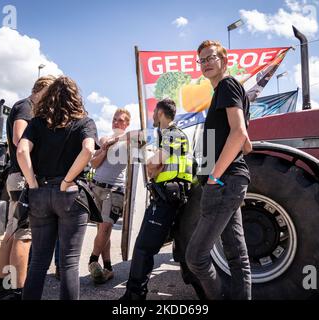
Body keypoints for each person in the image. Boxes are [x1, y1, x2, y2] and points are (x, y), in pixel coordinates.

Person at [17, 76, 98, 300]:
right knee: (70, 263)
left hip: (40, 193)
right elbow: (89, 151)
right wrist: (67, 181)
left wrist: (33, 183)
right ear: (75, 97)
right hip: (71, 196)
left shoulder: (38, 122)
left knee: (38, 262)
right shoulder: (85, 122)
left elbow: (22, 151)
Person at [185, 40, 253, 300]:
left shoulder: (227, 85)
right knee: (238, 257)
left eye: (211, 58)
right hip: (228, 180)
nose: (206, 63)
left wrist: (213, 177)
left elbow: (239, 134)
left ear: (224, 60)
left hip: (223, 181)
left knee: (196, 258)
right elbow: (246, 143)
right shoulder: (226, 91)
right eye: (201, 60)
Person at [120, 98, 193, 300]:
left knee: (143, 248)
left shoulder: (173, 134)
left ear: (160, 113)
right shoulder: (170, 135)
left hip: (166, 199)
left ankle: (134, 296)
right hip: (172, 197)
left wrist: (151, 168)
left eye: (154, 113)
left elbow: (154, 163)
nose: (152, 116)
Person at [0, 75, 56, 300]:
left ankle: (4, 290)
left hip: (16, 177)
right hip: (24, 178)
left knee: (11, 234)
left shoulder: (22, 106)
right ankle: (17, 292)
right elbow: (18, 138)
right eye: (51, 96)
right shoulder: (26, 107)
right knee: (25, 236)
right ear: (43, 90)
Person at [88, 109, 131, 284]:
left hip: (114, 191)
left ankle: (92, 260)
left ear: (127, 123)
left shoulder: (130, 142)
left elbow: (139, 138)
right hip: (97, 187)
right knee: (102, 231)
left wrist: (117, 140)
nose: (115, 122)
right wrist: (104, 149)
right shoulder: (104, 139)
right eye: (114, 119)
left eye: (120, 120)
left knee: (105, 228)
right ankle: (108, 268)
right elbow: (94, 163)